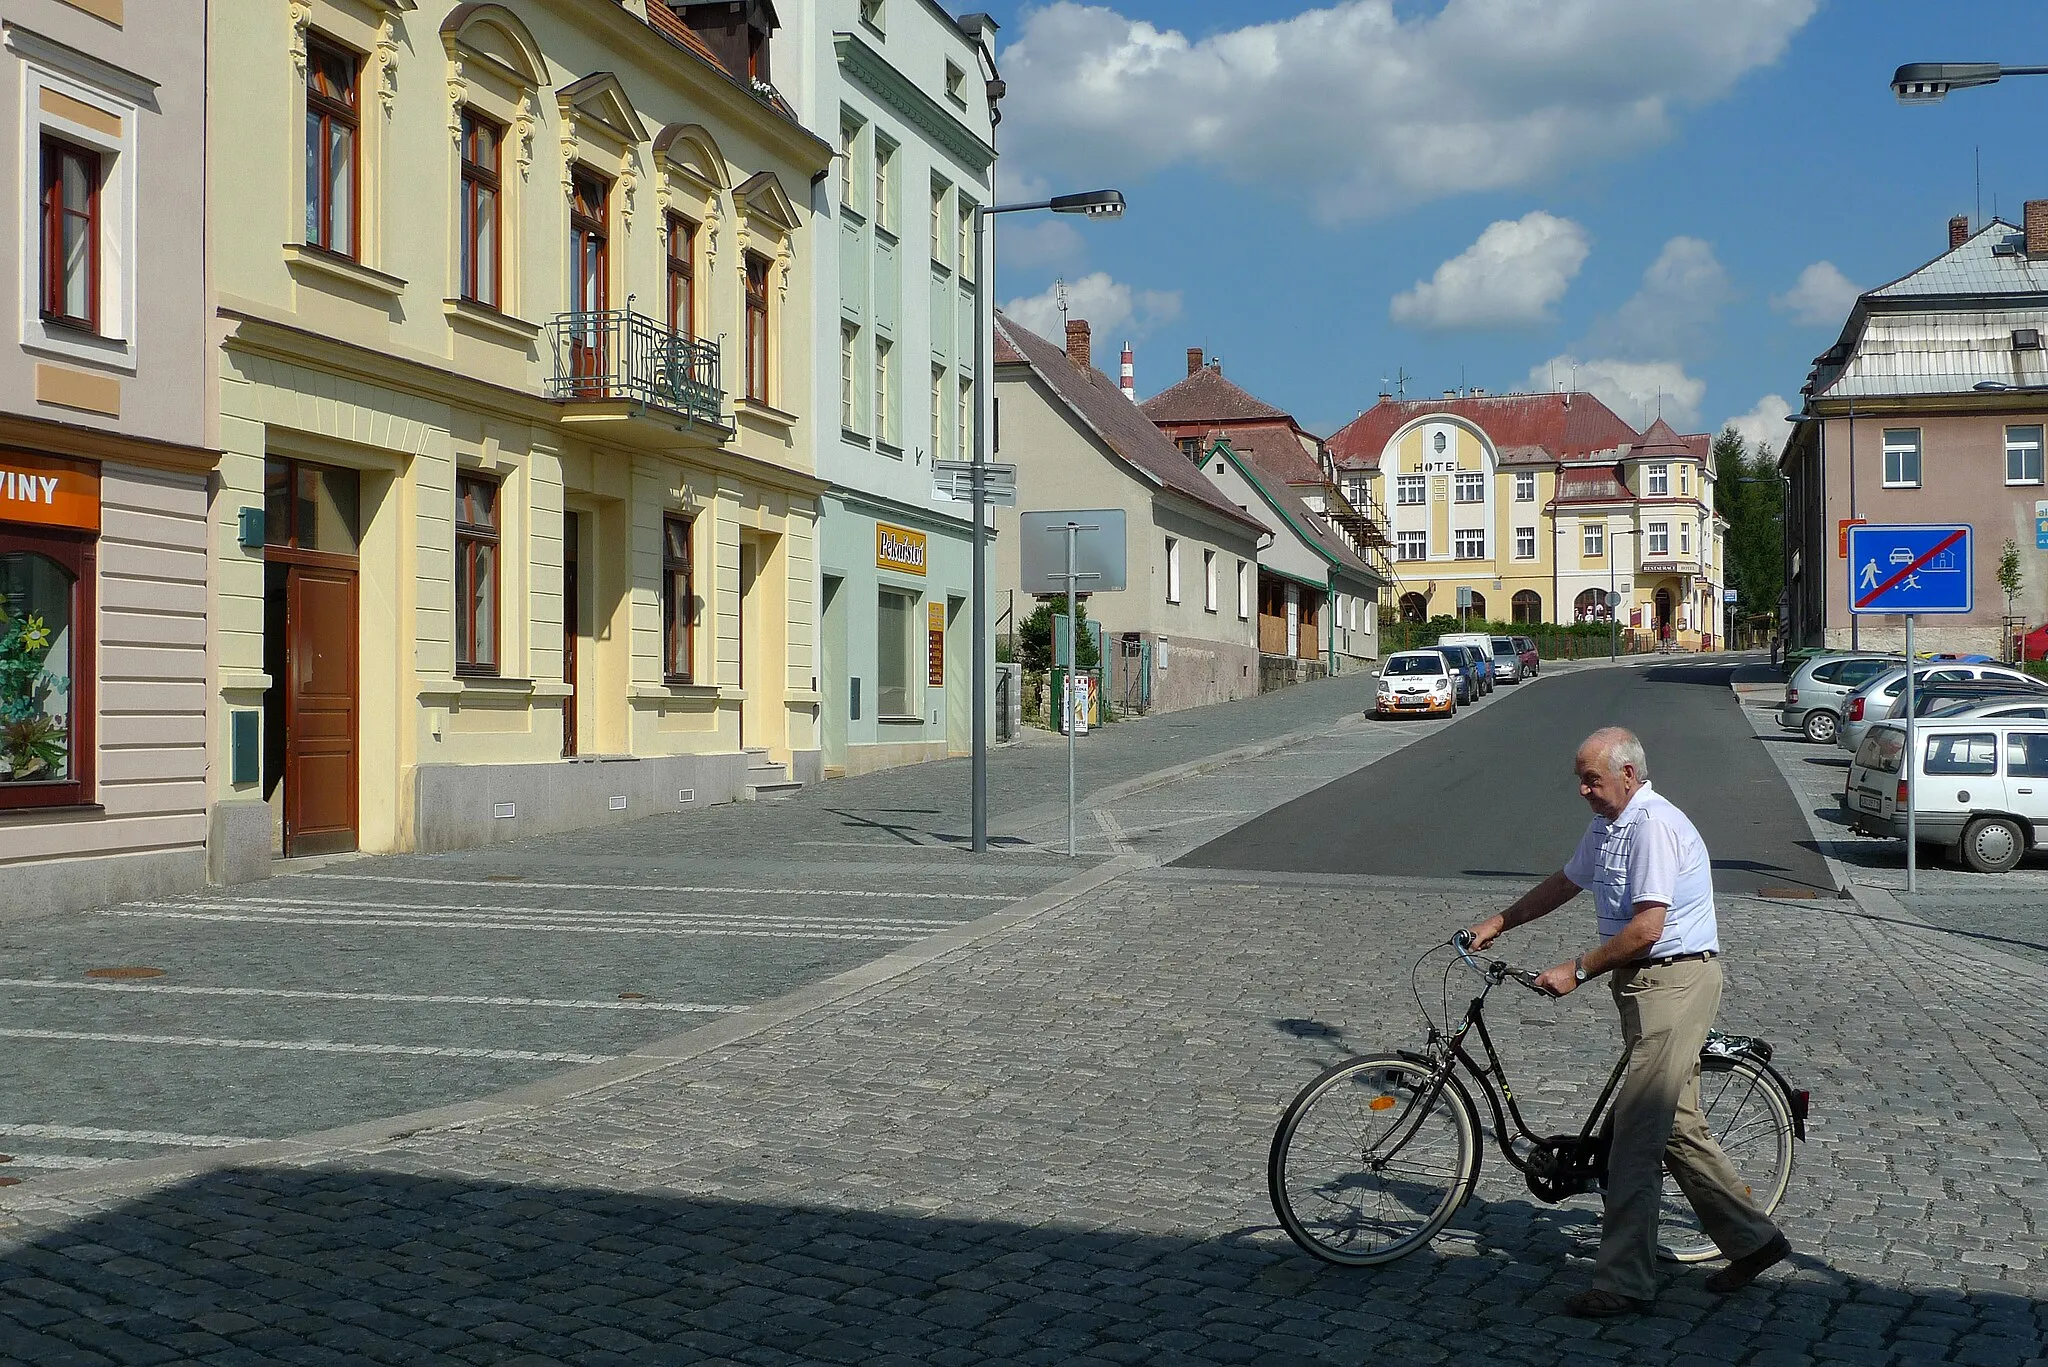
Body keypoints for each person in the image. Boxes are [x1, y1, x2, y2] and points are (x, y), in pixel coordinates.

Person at [1464, 727, 1790, 1318]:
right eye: (1580, 779)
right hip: (1643, 986)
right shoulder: (1608, 825)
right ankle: (1756, 1242)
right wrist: (1501, 920)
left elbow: (1647, 930)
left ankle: (1624, 1283)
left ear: (1629, 775)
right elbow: (1568, 881)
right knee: (1676, 1125)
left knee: (1635, 1140)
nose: (1583, 790)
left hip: (1676, 982)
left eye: (1593, 779)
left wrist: (1577, 969)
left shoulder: (1652, 827)